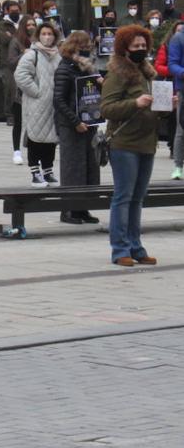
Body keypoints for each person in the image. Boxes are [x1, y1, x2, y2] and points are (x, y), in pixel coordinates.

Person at [101, 25, 160, 267]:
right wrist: (135, 103)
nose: (141, 49)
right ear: (125, 48)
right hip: (124, 143)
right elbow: (107, 108)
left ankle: (136, 247)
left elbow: (153, 109)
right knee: (123, 197)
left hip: (147, 142)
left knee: (138, 197)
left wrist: (166, 106)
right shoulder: (118, 73)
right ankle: (120, 249)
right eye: (136, 46)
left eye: (144, 46)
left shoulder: (147, 73)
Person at [53, 30, 102, 224]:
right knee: (72, 168)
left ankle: (82, 209)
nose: (87, 50)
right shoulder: (65, 68)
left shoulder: (87, 68)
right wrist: (75, 121)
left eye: (88, 46)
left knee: (89, 167)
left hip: (88, 122)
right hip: (71, 125)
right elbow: (58, 100)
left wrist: (100, 84)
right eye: (84, 46)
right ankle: (67, 210)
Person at [14, 22, 61, 188]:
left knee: (51, 139)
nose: (47, 37)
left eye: (50, 34)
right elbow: (20, 75)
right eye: (44, 34)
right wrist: (37, 92)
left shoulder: (58, 55)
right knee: (35, 138)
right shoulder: (31, 55)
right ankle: (35, 171)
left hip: (53, 105)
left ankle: (48, 170)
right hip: (36, 104)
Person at [6, 15, 37, 165]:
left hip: (35, 84)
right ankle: (16, 151)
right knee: (18, 120)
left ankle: (33, 150)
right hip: (19, 86)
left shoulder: (39, 42)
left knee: (34, 120)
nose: (31, 27)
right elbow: (10, 62)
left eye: (33, 24)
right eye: (28, 25)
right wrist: (23, 55)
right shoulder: (16, 41)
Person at [165, 22, 184, 179]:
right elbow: (172, 65)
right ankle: (178, 166)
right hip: (183, 89)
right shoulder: (178, 38)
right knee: (181, 129)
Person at [0, 0, 21, 125]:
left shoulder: (22, 23)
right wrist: (16, 37)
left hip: (23, 61)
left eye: (17, 11)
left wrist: (12, 35)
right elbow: (4, 39)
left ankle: (20, 114)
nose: (15, 13)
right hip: (8, 62)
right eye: (12, 11)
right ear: (7, 11)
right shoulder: (3, 24)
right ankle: (10, 115)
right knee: (9, 88)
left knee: (20, 89)